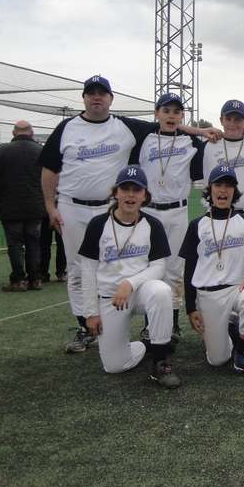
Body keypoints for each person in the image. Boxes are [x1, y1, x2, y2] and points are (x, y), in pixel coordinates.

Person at [40, 75, 218, 353]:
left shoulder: (125, 126)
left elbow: (170, 124)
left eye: (102, 93)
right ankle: (86, 325)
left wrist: (201, 132)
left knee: (162, 269)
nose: (97, 97)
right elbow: (49, 168)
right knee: (78, 269)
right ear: (84, 97)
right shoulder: (69, 127)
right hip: (74, 207)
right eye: (91, 93)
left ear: (111, 98)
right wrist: (50, 207)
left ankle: (162, 324)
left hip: (120, 208)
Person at [80, 166, 180, 388]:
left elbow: (159, 267)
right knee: (114, 366)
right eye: (125, 189)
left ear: (145, 195)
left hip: (141, 292)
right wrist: (90, 312)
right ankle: (146, 345)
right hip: (110, 298)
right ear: (116, 192)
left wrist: (130, 283)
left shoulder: (152, 224)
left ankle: (161, 359)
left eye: (137, 190)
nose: (130, 195)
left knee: (162, 291)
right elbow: (87, 270)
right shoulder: (98, 224)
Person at [179, 165, 244, 378]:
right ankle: (230, 327)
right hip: (208, 295)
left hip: (236, 288)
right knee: (217, 360)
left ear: (234, 191)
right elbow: (189, 268)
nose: (223, 190)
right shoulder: (197, 225)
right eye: (218, 185)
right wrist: (190, 308)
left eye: (229, 185)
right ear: (209, 189)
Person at [132, 92, 205, 342]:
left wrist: (199, 132)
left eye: (176, 112)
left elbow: (209, 136)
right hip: (149, 211)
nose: (171, 116)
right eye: (166, 111)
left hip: (178, 211)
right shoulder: (144, 138)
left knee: (174, 268)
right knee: (148, 266)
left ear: (182, 116)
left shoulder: (191, 143)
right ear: (156, 113)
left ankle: (172, 323)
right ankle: (149, 322)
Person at [0, 121, 45, 291]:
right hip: (36, 206)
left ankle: (19, 280)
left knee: (15, 244)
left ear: (13, 133)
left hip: (9, 207)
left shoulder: (0, 151)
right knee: (33, 243)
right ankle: (35, 279)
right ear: (31, 133)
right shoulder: (41, 151)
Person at [202, 100, 244, 216]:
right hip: (216, 212)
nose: (232, 123)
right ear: (221, 120)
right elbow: (172, 128)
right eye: (228, 119)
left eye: (238, 120)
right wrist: (199, 130)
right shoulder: (209, 145)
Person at [40, 218, 66, 283]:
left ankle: (43, 273)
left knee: (44, 244)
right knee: (61, 244)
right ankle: (61, 273)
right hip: (60, 214)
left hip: (46, 214)